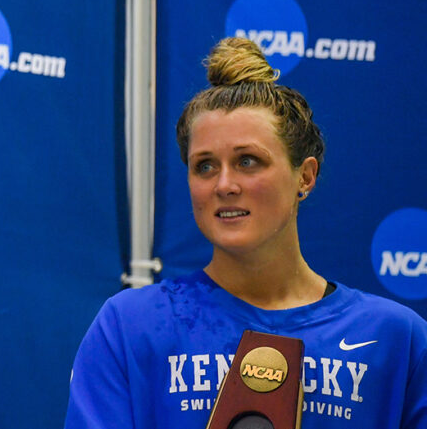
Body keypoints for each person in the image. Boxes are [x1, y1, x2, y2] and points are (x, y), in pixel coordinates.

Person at [63, 37, 427, 428]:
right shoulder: (130, 326)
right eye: (204, 166)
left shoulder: (395, 338)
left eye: (248, 161)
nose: (224, 185)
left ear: (305, 176)